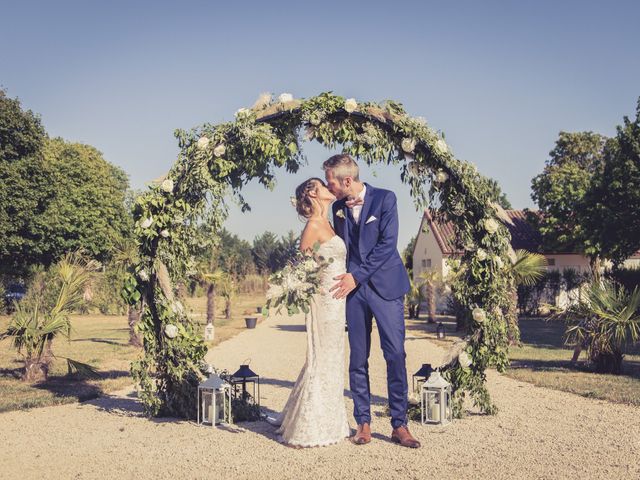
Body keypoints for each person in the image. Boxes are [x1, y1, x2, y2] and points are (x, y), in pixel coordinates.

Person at [324, 154, 420, 448]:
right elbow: (336, 245)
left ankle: (399, 425)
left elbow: (386, 246)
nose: (330, 188)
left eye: (331, 182)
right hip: (354, 293)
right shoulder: (338, 208)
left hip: (386, 288)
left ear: (347, 180)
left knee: (394, 355)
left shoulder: (386, 199)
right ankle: (363, 422)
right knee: (357, 358)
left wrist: (357, 276)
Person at [269, 177, 350, 448]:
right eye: (323, 185)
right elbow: (302, 268)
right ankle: (311, 425)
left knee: (334, 356)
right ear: (313, 193)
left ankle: (331, 420)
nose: (330, 188)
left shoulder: (330, 222)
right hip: (323, 300)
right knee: (322, 356)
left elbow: (320, 258)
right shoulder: (313, 226)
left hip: (338, 302)